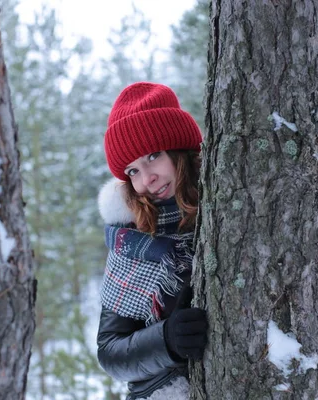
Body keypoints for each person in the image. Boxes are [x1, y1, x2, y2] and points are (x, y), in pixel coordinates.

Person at [96, 82, 208, 400]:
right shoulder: (133, 239)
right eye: (132, 170)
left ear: (180, 149)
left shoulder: (227, 205)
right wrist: (166, 340)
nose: (146, 180)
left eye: (153, 156)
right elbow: (110, 352)